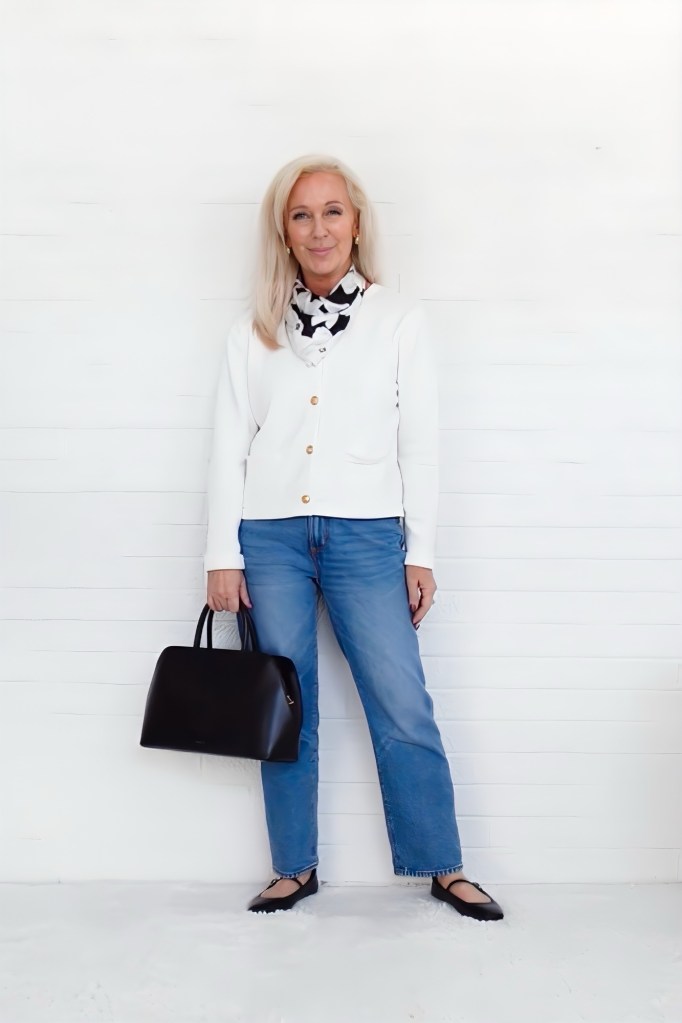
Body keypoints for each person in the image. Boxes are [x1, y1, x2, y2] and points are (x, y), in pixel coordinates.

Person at [204, 154, 503, 922]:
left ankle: (443, 863)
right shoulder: (254, 331)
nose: (319, 228)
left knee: (402, 700)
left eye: (332, 211)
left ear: (357, 223)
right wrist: (221, 555)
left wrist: (422, 549)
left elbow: (421, 444)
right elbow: (228, 445)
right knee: (285, 703)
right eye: (302, 214)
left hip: (369, 538)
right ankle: (293, 866)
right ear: (285, 230)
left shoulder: (399, 319)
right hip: (266, 537)